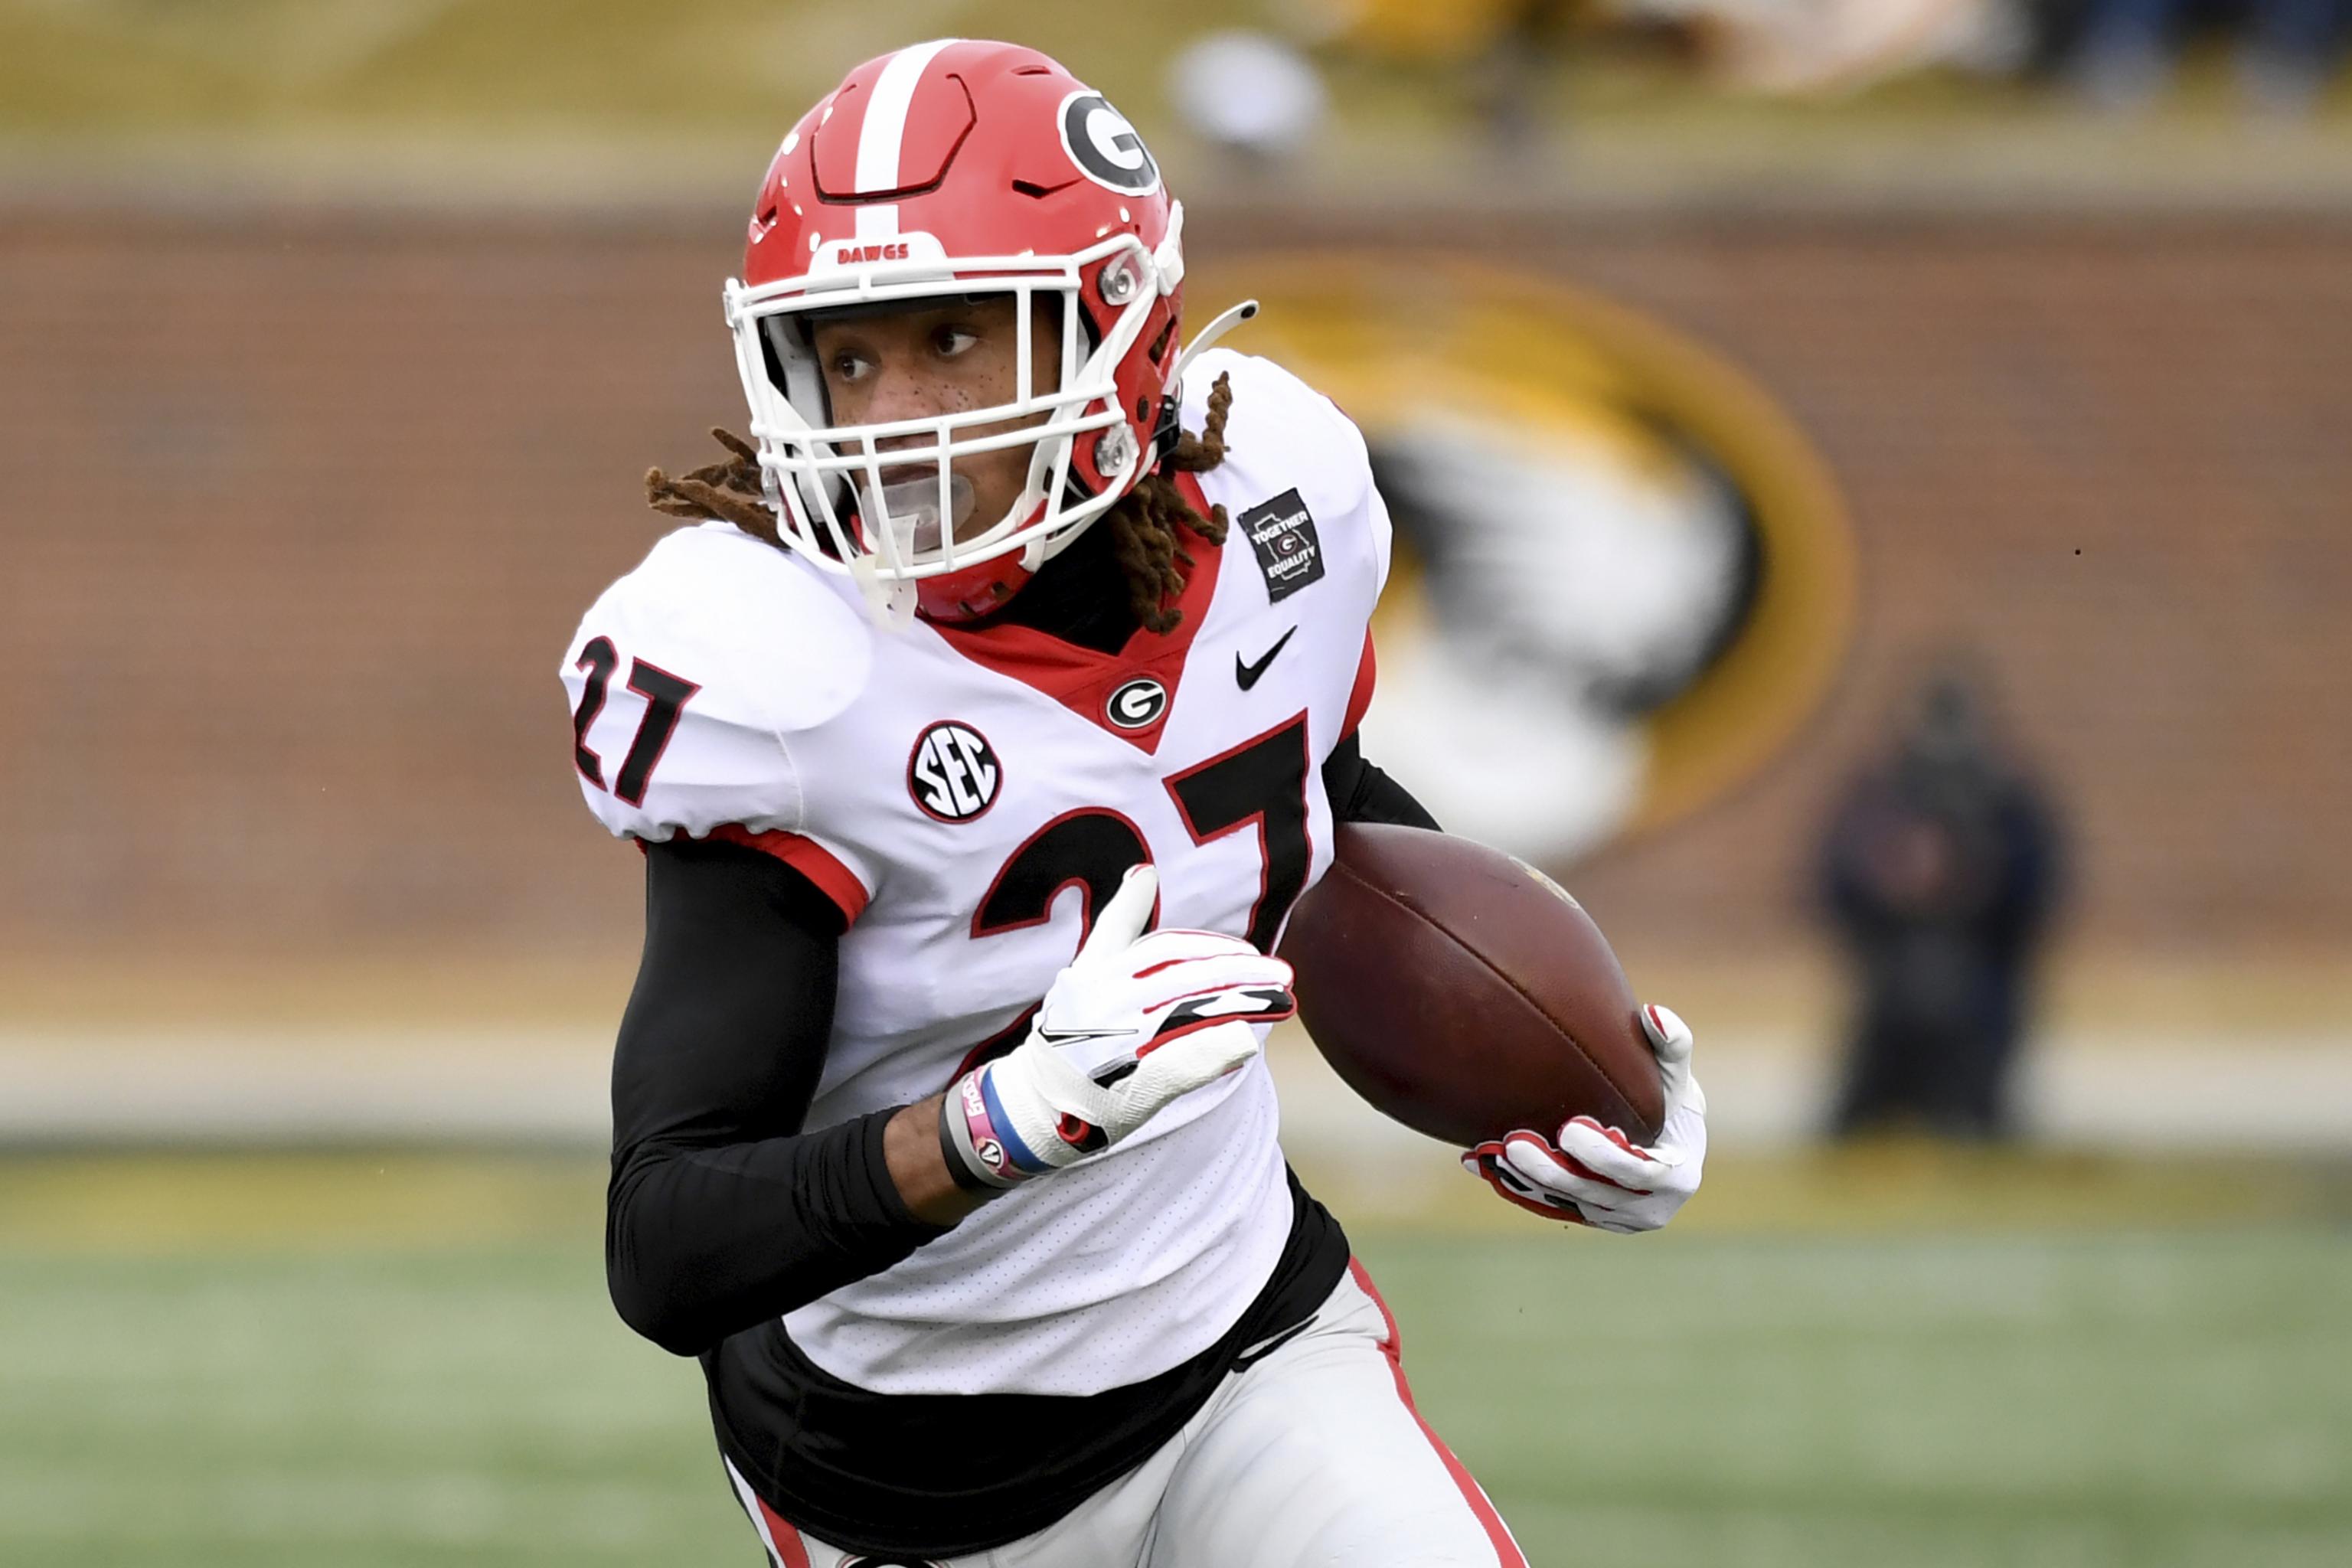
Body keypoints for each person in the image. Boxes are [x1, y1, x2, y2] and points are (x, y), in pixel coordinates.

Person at [559, 41, 1709, 1568]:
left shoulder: (1276, 492)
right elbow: (668, 1238)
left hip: (1247, 1347)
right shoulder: (788, 671)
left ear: (1119, 330)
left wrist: (1555, 1062)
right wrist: (996, 1125)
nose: (892, 415)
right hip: (906, 1481)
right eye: (848, 355)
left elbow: (1311, 796)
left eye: (953, 339)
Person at [1818, 665, 2063, 1140]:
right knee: (1860, 1135)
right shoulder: (1884, 794)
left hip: (1980, 990)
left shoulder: (2003, 799)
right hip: (1890, 991)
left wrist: (1977, 881)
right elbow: (1834, 882)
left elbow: (2036, 890)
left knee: (1978, 1131)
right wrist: (1886, 881)